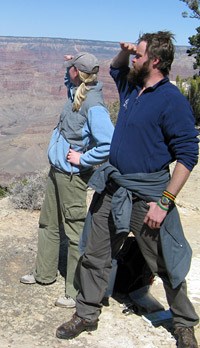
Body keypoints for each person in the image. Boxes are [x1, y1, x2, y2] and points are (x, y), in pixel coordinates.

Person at [56, 31, 199, 348]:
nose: (134, 58)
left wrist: (164, 202)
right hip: (114, 186)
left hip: (149, 194)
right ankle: (86, 314)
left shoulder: (171, 101)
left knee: (166, 262)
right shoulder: (134, 87)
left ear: (155, 61)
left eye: (140, 54)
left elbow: (188, 155)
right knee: (95, 254)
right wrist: (125, 51)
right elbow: (116, 68)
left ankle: (184, 325)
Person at [20, 52, 114, 309]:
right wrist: (72, 60)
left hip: (72, 177)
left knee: (74, 233)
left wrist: (83, 159)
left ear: (77, 72)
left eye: (70, 68)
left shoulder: (93, 104)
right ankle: (44, 274)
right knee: (48, 223)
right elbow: (66, 80)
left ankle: (74, 291)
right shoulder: (76, 91)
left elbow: (108, 142)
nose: (67, 71)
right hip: (57, 171)